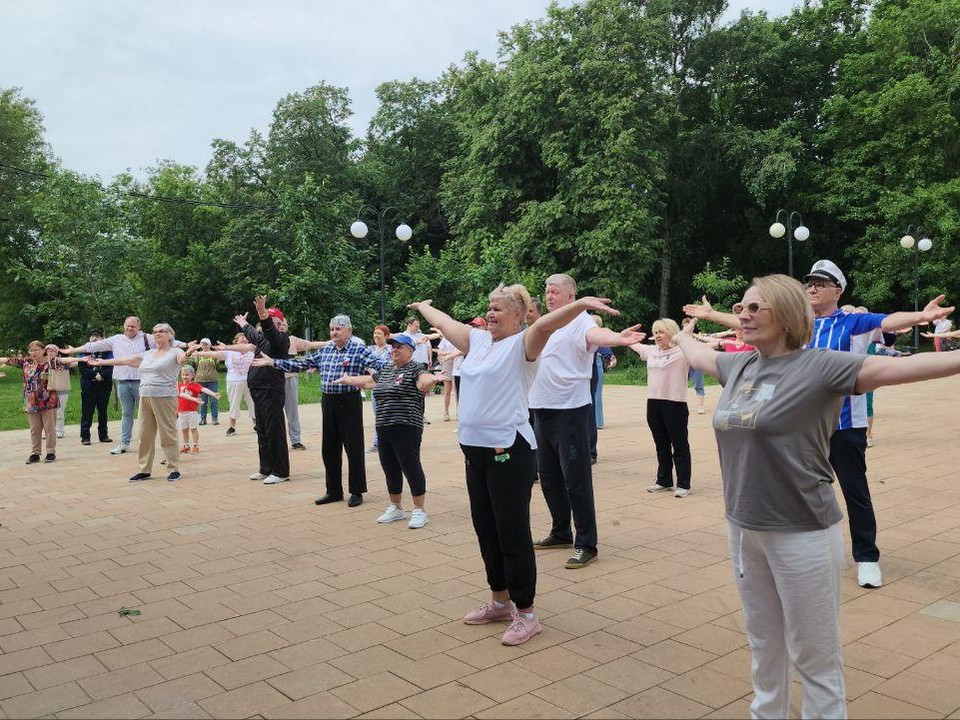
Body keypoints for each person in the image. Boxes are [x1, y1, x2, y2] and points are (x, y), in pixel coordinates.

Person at [675, 273, 960, 719]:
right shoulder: (738, 365)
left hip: (802, 530)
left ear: (787, 315)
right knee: (764, 641)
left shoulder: (822, 366)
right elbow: (694, 353)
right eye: (741, 309)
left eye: (756, 308)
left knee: (814, 654)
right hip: (744, 528)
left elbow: (900, 369)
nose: (744, 316)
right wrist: (677, 333)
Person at [684, 259, 952, 588]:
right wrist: (711, 317)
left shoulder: (853, 321)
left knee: (855, 491)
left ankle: (867, 557)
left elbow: (890, 320)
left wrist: (922, 317)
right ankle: (796, 546)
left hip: (843, 423)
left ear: (838, 291)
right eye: (809, 282)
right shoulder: (798, 322)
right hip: (798, 426)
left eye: (820, 283)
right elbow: (757, 319)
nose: (811, 287)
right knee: (799, 485)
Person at [407, 285, 622, 646]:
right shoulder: (476, 340)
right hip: (475, 454)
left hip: (510, 452)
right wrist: (425, 307)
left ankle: (526, 613)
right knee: (486, 530)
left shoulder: (524, 344)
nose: (490, 314)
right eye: (489, 308)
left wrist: (582, 304)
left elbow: (547, 325)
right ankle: (499, 601)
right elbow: (445, 323)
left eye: (498, 309)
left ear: (518, 314)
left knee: (512, 533)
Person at [530, 274, 645, 570]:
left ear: (571, 296)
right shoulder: (547, 324)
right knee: (548, 477)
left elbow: (596, 337)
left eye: (555, 292)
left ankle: (586, 543)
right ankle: (560, 532)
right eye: (546, 291)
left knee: (575, 480)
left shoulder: (582, 321)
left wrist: (617, 339)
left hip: (571, 411)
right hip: (541, 410)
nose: (549, 296)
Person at [255, 314, 387, 506]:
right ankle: (333, 490)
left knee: (353, 447)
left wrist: (369, 381)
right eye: (332, 329)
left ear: (349, 331)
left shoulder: (359, 348)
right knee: (329, 448)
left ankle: (356, 491)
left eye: (339, 329)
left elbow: (383, 366)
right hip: (328, 401)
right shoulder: (327, 349)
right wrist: (273, 362)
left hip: (349, 401)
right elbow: (301, 364)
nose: (334, 332)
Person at [335, 333, 446, 529]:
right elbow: (370, 381)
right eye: (393, 346)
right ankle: (396, 507)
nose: (394, 349)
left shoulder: (416, 367)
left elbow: (422, 381)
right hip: (384, 427)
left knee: (410, 467)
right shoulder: (387, 368)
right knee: (390, 468)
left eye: (399, 347)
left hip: (407, 426)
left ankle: (419, 510)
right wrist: (349, 380)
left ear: (410, 351)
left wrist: (433, 379)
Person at [86, 323, 190, 482]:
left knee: (167, 433)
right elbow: (125, 360)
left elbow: (182, 359)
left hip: (165, 397)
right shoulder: (148, 353)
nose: (157, 334)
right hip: (145, 396)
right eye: (155, 332)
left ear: (170, 335)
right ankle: (145, 470)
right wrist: (101, 363)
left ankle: (173, 468)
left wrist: (188, 352)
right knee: (144, 434)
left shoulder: (176, 351)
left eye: (162, 331)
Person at [63, 317, 159, 455]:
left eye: (132, 326)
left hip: (142, 381)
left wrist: (185, 346)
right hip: (123, 382)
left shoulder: (147, 338)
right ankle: (124, 443)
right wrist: (74, 350)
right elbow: (92, 346)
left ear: (138, 327)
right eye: (127, 326)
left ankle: (147, 443)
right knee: (126, 414)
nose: (129, 328)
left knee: (145, 414)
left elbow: (168, 343)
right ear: (124, 326)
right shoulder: (116, 339)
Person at [628, 319, 692, 497]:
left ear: (671, 333)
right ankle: (664, 480)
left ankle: (683, 483)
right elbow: (633, 344)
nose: (657, 335)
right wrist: (622, 336)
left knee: (679, 445)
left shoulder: (683, 351)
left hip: (675, 403)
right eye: (655, 332)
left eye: (661, 332)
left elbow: (701, 345)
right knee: (661, 445)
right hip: (654, 404)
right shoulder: (651, 351)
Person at [236, 297, 291, 485]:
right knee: (262, 429)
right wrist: (244, 323)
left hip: (271, 390)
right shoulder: (262, 340)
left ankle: (281, 471)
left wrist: (262, 311)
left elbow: (267, 328)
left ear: (281, 325)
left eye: (272, 321)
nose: (266, 325)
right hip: (258, 390)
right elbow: (253, 333)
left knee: (274, 430)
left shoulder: (281, 340)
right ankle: (266, 468)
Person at [0, 342, 84, 463]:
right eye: (31, 350)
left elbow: (65, 361)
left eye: (36, 350)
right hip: (31, 401)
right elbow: (6, 360)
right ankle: (35, 453)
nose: (33, 353)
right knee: (35, 429)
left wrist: (82, 358)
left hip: (49, 401)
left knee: (50, 428)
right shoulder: (26, 362)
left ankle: (50, 452)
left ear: (43, 350)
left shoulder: (51, 362)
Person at [280, 318, 329, 451]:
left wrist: (329, 342)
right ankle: (277, 441)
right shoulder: (268, 339)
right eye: (279, 324)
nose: (282, 326)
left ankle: (295, 440)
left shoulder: (292, 340)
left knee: (292, 411)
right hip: (273, 381)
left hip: (290, 378)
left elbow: (310, 345)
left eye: (284, 324)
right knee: (274, 413)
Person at [193, 334, 255, 436]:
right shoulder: (229, 352)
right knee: (234, 403)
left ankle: (257, 424)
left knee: (253, 403)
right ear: (236, 342)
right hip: (234, 381)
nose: (244, 339)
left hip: (250, 381)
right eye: (241, 338)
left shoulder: (252, 351)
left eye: (245, 338)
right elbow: (213, 355)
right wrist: (197, 353)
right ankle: (232, 427)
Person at [77, 331, 114, 446]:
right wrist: (94, 375)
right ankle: (85, 437)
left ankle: (103, 435)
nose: (94, 338)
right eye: (92, 336)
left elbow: (111, 366)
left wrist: (101, 375)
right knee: (87, 412)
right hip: (89, 386)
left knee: (103, 411)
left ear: (102, 339)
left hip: (104, 385)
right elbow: (82, 369)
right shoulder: (84, 351)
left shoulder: (108, 351)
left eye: (97, 336)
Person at [176, 365, 220, 453]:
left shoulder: (195, 385)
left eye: (187, 375)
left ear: (193, 375)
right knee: (184, 429)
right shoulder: (179, 385)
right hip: (181, 411)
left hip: (192, 411)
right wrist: (176, 410)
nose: (185, 376)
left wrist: (213, 394)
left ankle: (196, 445)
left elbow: (204, 389)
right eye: (183, 374)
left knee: (193, 428)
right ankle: (186, 445)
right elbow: (176, 398)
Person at [367, 324, 393, 451]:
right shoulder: (370, 349)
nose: (376, 336)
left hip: (388, 386)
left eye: (379, 333)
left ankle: (383, 443)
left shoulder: (391, 350)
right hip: (374, 387)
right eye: (375, 333)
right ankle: (380, 443)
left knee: (388, 414)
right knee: (378, 415)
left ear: (387, 336)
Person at [681, 319, 707, 415]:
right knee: (678, 384)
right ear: (683, 327)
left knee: (698, 385)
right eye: (686, 326)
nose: (688, 328)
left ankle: (700, 406)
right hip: (681, 364)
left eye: (690, 326)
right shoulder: (678, 338)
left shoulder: (698, 337)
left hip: (695, 364)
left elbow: (713, 336)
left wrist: (727, 333)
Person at [193, 339, 220, 426]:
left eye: (206, 344)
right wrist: (194, 348)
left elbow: (222, 354)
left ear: (209, 345)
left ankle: (214, 418)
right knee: (202, 401)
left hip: (212, 380)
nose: (204, 346)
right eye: (203, 344)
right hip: (200, 381)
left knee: (214, 400)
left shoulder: (214, 355)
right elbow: (188, 355)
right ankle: (203, 419)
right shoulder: (197, 355)